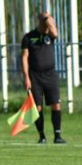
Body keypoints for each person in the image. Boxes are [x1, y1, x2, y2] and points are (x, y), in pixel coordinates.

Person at [21, 11, 66, 144]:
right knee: (37, 107)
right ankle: (42, 136)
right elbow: (24, 58)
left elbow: (55, 33)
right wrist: (26, 78)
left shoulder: (50, 36)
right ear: (41, 22)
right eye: (48, 20)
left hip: (50, 75)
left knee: (56, 104)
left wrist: (49, 19)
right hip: (35, 77)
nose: (51, 23)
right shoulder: (29, 37)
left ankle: (57, 136)